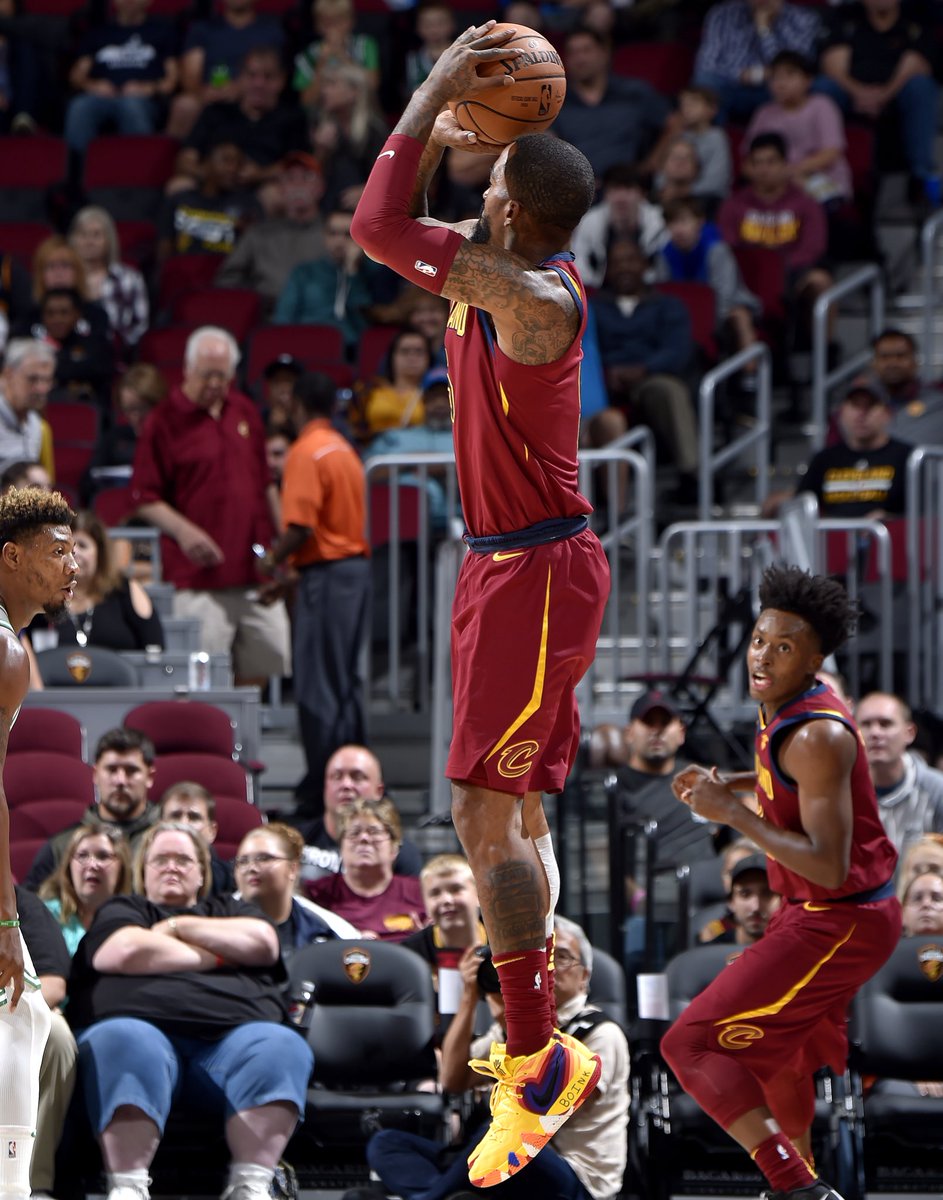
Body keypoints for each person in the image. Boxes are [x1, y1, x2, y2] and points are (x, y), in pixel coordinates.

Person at [351, 22, 610, 1185]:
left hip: (533, 572)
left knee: (478, 814)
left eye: (491, 170)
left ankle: (535, 1055)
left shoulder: (524, 294)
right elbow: (403, 225)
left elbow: (370, 227)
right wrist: (463, 124)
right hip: (508, 566)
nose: (479, 177)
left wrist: (427, 95)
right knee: (520, 817)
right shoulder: (499, 261)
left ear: (508, 209)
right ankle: (536, 1023)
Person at [664, 564, 901, 1200]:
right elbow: (788, 784)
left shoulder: (819, 734)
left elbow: (826, 862)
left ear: (814, 658)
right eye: (760, 640)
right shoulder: (788, 705)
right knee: (781, 1060)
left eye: (784, 646)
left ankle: (796, 1188)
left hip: (839, 917)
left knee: (689, 1045)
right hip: (821, 909)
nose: (764, 656)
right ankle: (803, 1173)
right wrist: (733, 787)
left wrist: (732, 815)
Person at [67, 821, 314, 1200]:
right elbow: (127, 950)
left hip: (230, 1049)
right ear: (143, 870)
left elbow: (262, 943)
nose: (172, 866)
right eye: (160, 859)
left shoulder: (232, 906)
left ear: (202, 872)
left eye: (183, 859)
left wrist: (178, 926)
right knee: (124, 1038)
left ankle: (250, 1185)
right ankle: (128, 1187)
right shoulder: (124, 908)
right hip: (138, 1037)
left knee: (282, 1044)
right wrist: (220, 955)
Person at [362, 914, 630, 1200]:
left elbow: (544, 1110)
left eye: (561, 957)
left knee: (503, 1133)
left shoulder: (601, 1033)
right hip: (508, 1162)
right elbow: (453, 1080)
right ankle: (451, 1194)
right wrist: (469, 996)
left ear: (584, 976)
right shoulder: (513, 1029)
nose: (549, 967)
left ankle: (432, 1196)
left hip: (574, 1177)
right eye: (543, 958)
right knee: (387, 1143)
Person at [130, 325, 291, 687]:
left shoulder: (244, 410)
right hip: (197, 578)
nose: (215, 384)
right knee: (202, 678)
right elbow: (144, 497)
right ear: (188, 369)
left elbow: (265, 482)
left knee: (264, 664)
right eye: (207, 375)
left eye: (223, 375)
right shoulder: (164, 420)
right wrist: (185, 532)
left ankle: (250, 742)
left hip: (254, 572)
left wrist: (281, 545)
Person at [0, 484, 77, 1199]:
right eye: (57, 553)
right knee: (22, 1026)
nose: (74, 565)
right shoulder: (3, 648)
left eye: (76, 550)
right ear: (10, 557)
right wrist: (3, 919)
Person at [259, 371, 370, 809]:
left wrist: (271, 560)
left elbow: (301, 527)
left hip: (326, 577)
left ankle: (323, 786)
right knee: (345, 680)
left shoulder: (305, 451)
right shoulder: (344, 449)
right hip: (354, 573)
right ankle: (355, 774)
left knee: (317, 684)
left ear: (296, 405)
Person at [588, 238, 700, 505]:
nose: (624, 268)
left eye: (630, 261)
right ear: (607, 270)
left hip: (650, 376)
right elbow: (586, 350)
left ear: (644, 266)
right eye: (617, 263)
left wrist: (644, 369)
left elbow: (678, 351)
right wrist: (608, 372)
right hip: (607, 382)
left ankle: (691, 474)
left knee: (670, 391)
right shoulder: (592, 306)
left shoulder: (668, 305)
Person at [819, 0, 940, 208]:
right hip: (851, 91)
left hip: (897, 90)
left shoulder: (918, 16)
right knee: (822, 87)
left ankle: (921, 175)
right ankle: (823, 170)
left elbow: (918, 63)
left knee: (922, 86)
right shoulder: (846, 16)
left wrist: (884, 94)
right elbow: (831, 63)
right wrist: (859, 93)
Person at [175, 46, 308, 212]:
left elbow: (298, 165)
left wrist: (261, 174)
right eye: (252, 76)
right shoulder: (215, 112)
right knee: (178, 186)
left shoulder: (292, 118)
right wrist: (211, 173)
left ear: (281, 80)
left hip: (259, 189)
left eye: (268, 77)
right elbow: (186, 159)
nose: (259, 84)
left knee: (275, 195)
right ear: (240, 78)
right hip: (211, 187)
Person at [24, 727, 158, 891]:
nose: (120, 780)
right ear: (95, 774)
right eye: (111, 770)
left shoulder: (171, 841)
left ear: (149, 776)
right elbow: (28, 907)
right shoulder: (62, 845)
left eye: (131, 771)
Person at [718, 133, 831, 313]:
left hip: (792, 274)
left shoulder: (806, 204)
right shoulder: (733, 205)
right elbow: (728, 244)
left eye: (771, 162)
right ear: (749, 167)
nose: (764, 170)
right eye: (757, 163)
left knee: (820, 281)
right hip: (746, 275)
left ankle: (819, 341)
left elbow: (813, 248)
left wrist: (777, 266)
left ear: (785, 165)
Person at [26, 509, 163, 653]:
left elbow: (155, 648)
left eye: (83, 546)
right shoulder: (41, 598)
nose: (75, 553)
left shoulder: (125, 590)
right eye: (64, 549)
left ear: (100, 554)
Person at [63, 0, 179, 162]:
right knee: (80, 107)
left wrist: (149, 88)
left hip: (143, 98)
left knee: (130, 106)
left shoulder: (162, 31)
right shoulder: (98, 32)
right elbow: (76, 76)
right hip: (101, 95)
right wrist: (93, 86)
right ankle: (78, 172)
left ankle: (139, 168)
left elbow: (172, 79)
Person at [293, 742, 423, 881]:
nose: (346, 785)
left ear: (379, 791)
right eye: (337, 776)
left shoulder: (399, 852)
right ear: (325, 786)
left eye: (357, 777)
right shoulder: (296, 842)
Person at [215, 151, 326, 312]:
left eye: (307, 178)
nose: (297, 185)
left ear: (321, 187)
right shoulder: (258, 234)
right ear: (280, 188)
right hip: (268, 319)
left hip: (322, 317)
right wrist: (256, 300)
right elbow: (227, 279)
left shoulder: (337, 233)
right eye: (289, 179)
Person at [553, 26, 670, 179]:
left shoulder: (635, 92)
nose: (580, 59)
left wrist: (652, 163)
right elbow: (546, 142)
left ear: (604, 53)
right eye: (573, 53)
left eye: (586, 50)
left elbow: (673, 123)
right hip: (576, 190)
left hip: (628, 187)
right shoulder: (556, 99)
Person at [302, 797, 426, 941]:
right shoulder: (316, 895)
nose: (364, 838)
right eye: (354, 833)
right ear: (341, 847)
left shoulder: (421, 892)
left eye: (374, 832)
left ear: (394, 847)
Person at [232, 822, 353, 962]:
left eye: (264, 858)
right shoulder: (215, 923)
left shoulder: (325, 930)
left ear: (293, 869)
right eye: (243, 861)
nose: (251, 868)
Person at [745, 52, 852, 208]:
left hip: (819, 178)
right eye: (775, 77)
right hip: (775, 182)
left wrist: (788, 172)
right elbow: (749, 159)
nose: (780, 83)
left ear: (807, 80)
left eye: (789, 76)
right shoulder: (764, 113)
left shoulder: (822, 106)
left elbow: (831, 153)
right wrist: (771, 175)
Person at [169, 0, 286, 140]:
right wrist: (205, 92)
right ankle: (179, 159)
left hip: (253, 95)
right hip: (208, 98)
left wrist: (240, 88)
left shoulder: (270, 30)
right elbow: (190, 76)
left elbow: (274, 72)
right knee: (184, 106)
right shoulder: (202, 29)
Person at [692, 0, 821, 124]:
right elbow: (706, 65)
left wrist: (764, 30)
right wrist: (743, 74)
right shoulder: (722, 14)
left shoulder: (803, 19)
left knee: (800, 85)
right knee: (706, 82)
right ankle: (709, 141)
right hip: (732, 87)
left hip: (772, 90)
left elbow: (796, 69)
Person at [272, 209, 377, 354]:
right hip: (306, 346)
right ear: (325, 236)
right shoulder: (304, 272)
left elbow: (364, 317)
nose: (339, 241)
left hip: (351, 350)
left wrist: (352, 271)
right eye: (333, 233)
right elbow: (284, 318)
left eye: (347, 234)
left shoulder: (371, 272)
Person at [855, 691, 943, 854]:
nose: (875, 733)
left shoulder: (937, 790)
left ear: (909, 733)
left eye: (885, 724)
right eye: (866, 724)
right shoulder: (842, 790)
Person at [157, 139, 264, 263]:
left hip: (227, 277)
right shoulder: (179, 200)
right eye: (226, 161)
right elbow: (164, 250)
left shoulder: (248, 204)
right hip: (185, 274)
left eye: (238, 164)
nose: (233, 169)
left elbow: (256, 255)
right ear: (206, 164)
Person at [38, 823, 133, 955]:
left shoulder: (134, 918)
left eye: (103, 856)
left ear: (121, 868)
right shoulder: (45, 915)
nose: (92, 865)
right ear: (68, 866)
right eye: (82, 856)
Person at [570, 163, 667, 289]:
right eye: (615, 189)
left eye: (628, 189)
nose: (621, 198)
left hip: (649, 293)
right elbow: (579, 262)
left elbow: (663, 268)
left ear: (641, 194)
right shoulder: (590, 221)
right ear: (606, 194)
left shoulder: (659, 222)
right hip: (602, 294)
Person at [68, 206, 150, 353]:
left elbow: (140, 325)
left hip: (117, 356)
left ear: (109, 240)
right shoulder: (64, 278)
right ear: (73, 239)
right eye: (83, 235)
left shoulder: (129, 278)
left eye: (96, 235)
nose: (89, 241)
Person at [352, 328, 432, 441]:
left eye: (419, 352)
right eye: (404, 351)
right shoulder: (367, 389)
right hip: (375, 453)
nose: (412, 357)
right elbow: (353, 428)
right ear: (392, 357)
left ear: (428, 358)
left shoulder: (437, 393)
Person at [158, 781, 235, 897]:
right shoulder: (144, 873)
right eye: (175, 816)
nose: (184, 824)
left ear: (212, 831)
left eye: (194, 817)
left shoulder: (231, 878)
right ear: (159, 827)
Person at [0, 339, 55, 475]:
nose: (41, 389)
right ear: (8, 375)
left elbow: (45, 488)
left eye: (47, 380)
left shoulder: (41, 429)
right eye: (33, 379)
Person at [700, 852, 780, 945]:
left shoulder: (796, 951)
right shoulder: (711, 950)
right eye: (745, 894)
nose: (755, 907)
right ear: (731, 902)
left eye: (766, 894)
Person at [899, 868, 943, 936]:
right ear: (903, 913)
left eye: (936, 898)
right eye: (917, 898)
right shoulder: (889, 946)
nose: (926, 904)